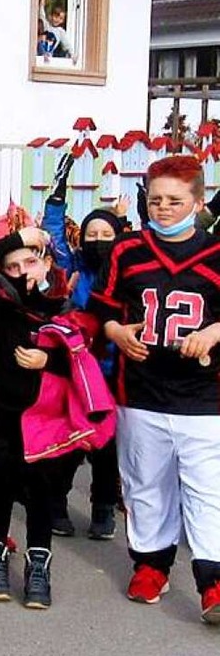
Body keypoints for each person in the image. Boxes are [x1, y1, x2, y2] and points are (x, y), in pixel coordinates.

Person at [92, 155, 220, 623]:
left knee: (208, 488)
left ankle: (213, 580)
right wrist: (115, 331)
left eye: (175, 200)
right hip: (141, 390)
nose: (163, 208)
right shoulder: (127, 250)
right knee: (146, 484)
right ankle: (151, 564)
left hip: (205, 395)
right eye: (156, 199)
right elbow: (99, 307)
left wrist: (213, 332)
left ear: (198, 202)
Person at [0, 218, 74, 609]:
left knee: (42, 490)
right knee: (0, 487)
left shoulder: (63, 302)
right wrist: (17, 239)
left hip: (47, 415)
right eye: (12, 266)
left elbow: (81, 358)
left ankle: (38, 566)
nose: (22, 273)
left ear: (45, 263)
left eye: (29, 262)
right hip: (2, 411)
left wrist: (49, 358)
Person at [40, 153, 125, 541]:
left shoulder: (130, 271)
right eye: (92, 234)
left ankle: (103, 509)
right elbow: (53, 232)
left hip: (116, 372)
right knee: (69, 443)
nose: (98, 241)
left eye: (107, 235)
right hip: (74, 371)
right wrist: (58, 192)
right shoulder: (72, 265)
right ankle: (56, 504)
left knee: (107, 448)